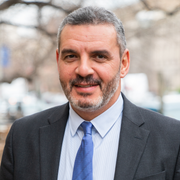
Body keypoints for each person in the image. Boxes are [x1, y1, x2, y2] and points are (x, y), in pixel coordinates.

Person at [0, 6, 180, 180]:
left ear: (123, 63)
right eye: (71, 56)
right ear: (58, 61)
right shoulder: (22, 137)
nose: (83, 70)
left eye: (99, 56)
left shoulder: (173, 139)